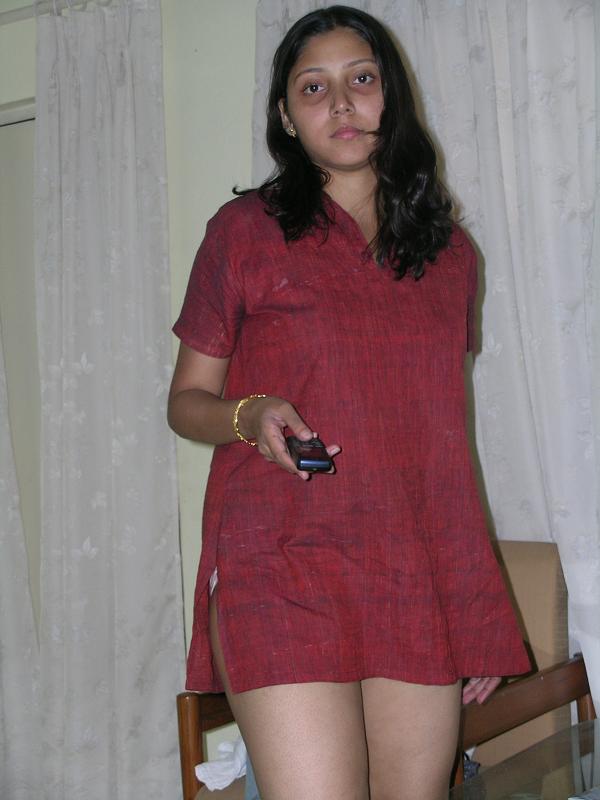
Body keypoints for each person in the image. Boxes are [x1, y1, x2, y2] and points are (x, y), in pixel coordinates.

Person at [168, 6, 530, 799]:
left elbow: (441, 440)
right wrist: (250, 414)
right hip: (280, 560)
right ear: (285, 116)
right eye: (313, 88)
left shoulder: (450, 254)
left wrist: (472, 607)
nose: (340, 103)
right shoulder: (243, 232)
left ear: (389, 96)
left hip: (410, 567)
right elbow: (187, 402)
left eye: (361, 79)